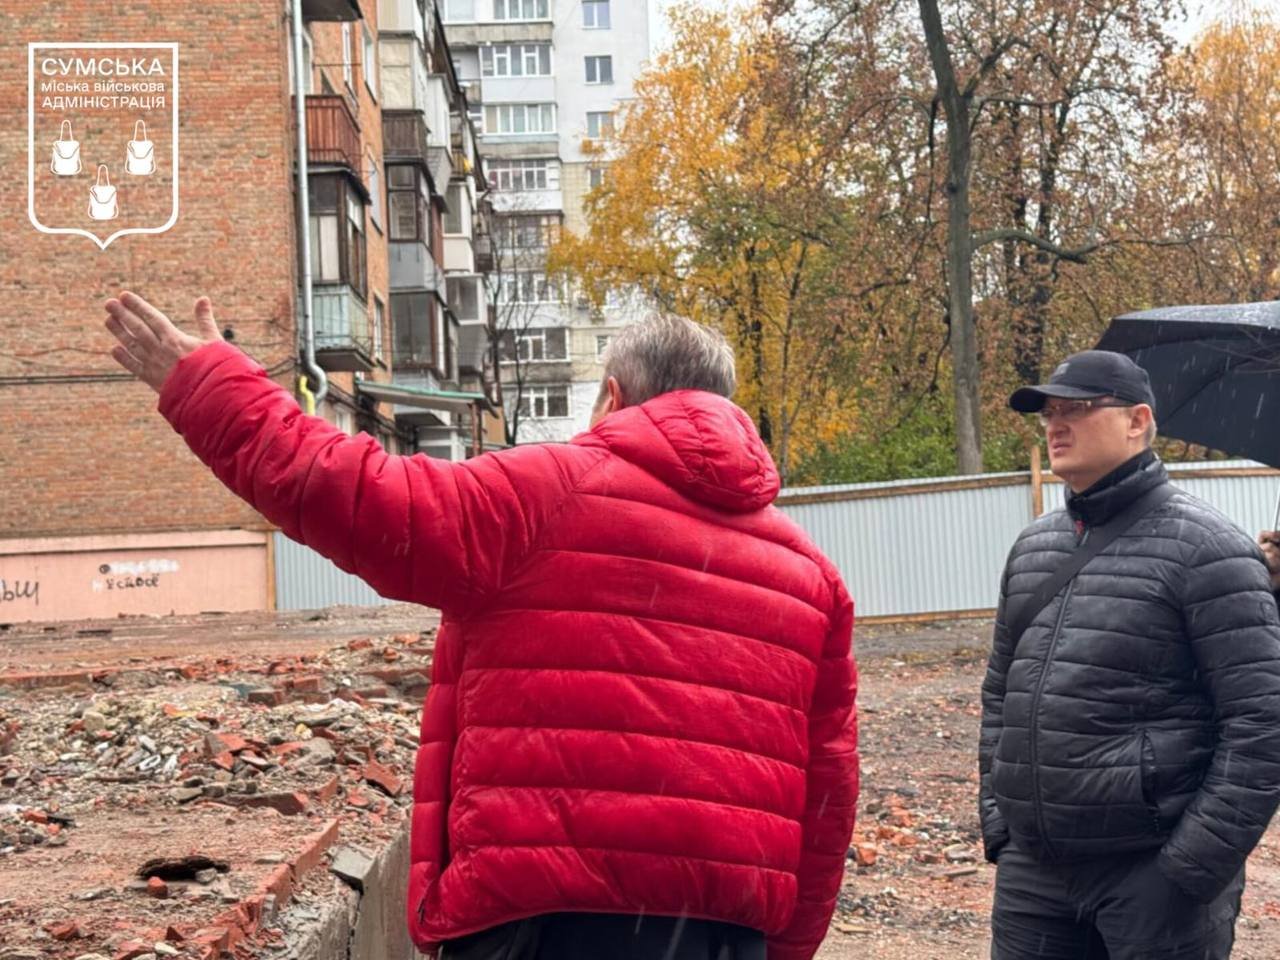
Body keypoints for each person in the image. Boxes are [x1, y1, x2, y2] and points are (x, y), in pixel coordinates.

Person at [101, 291, 859, 960]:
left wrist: (209, 388)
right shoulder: (810, 576)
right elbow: (828, 802)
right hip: (721, 936)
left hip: (539, 924)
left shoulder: (542, 496)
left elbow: (351, 492)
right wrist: (777, 949)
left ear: (614, 396)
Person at [980, 349, 1280, 959]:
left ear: (1138, 421)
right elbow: (999, 694)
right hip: (1034, 874)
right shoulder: (1033, 547)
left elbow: (1262, 722)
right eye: (1048, 413)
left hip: (1153, 875)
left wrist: (1190, 867)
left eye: (1077, 409)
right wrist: (1000, 825)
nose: (1056, 425)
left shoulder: (1209, 549)